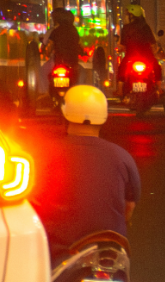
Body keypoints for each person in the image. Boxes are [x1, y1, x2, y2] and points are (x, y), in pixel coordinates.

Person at [30, 84, 142, 253]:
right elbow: (130, 206)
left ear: (65, 115)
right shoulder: (122, 156)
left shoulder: (44, 155)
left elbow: (33, 201)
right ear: (103, 117)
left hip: (60, 248)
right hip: (111, 247)